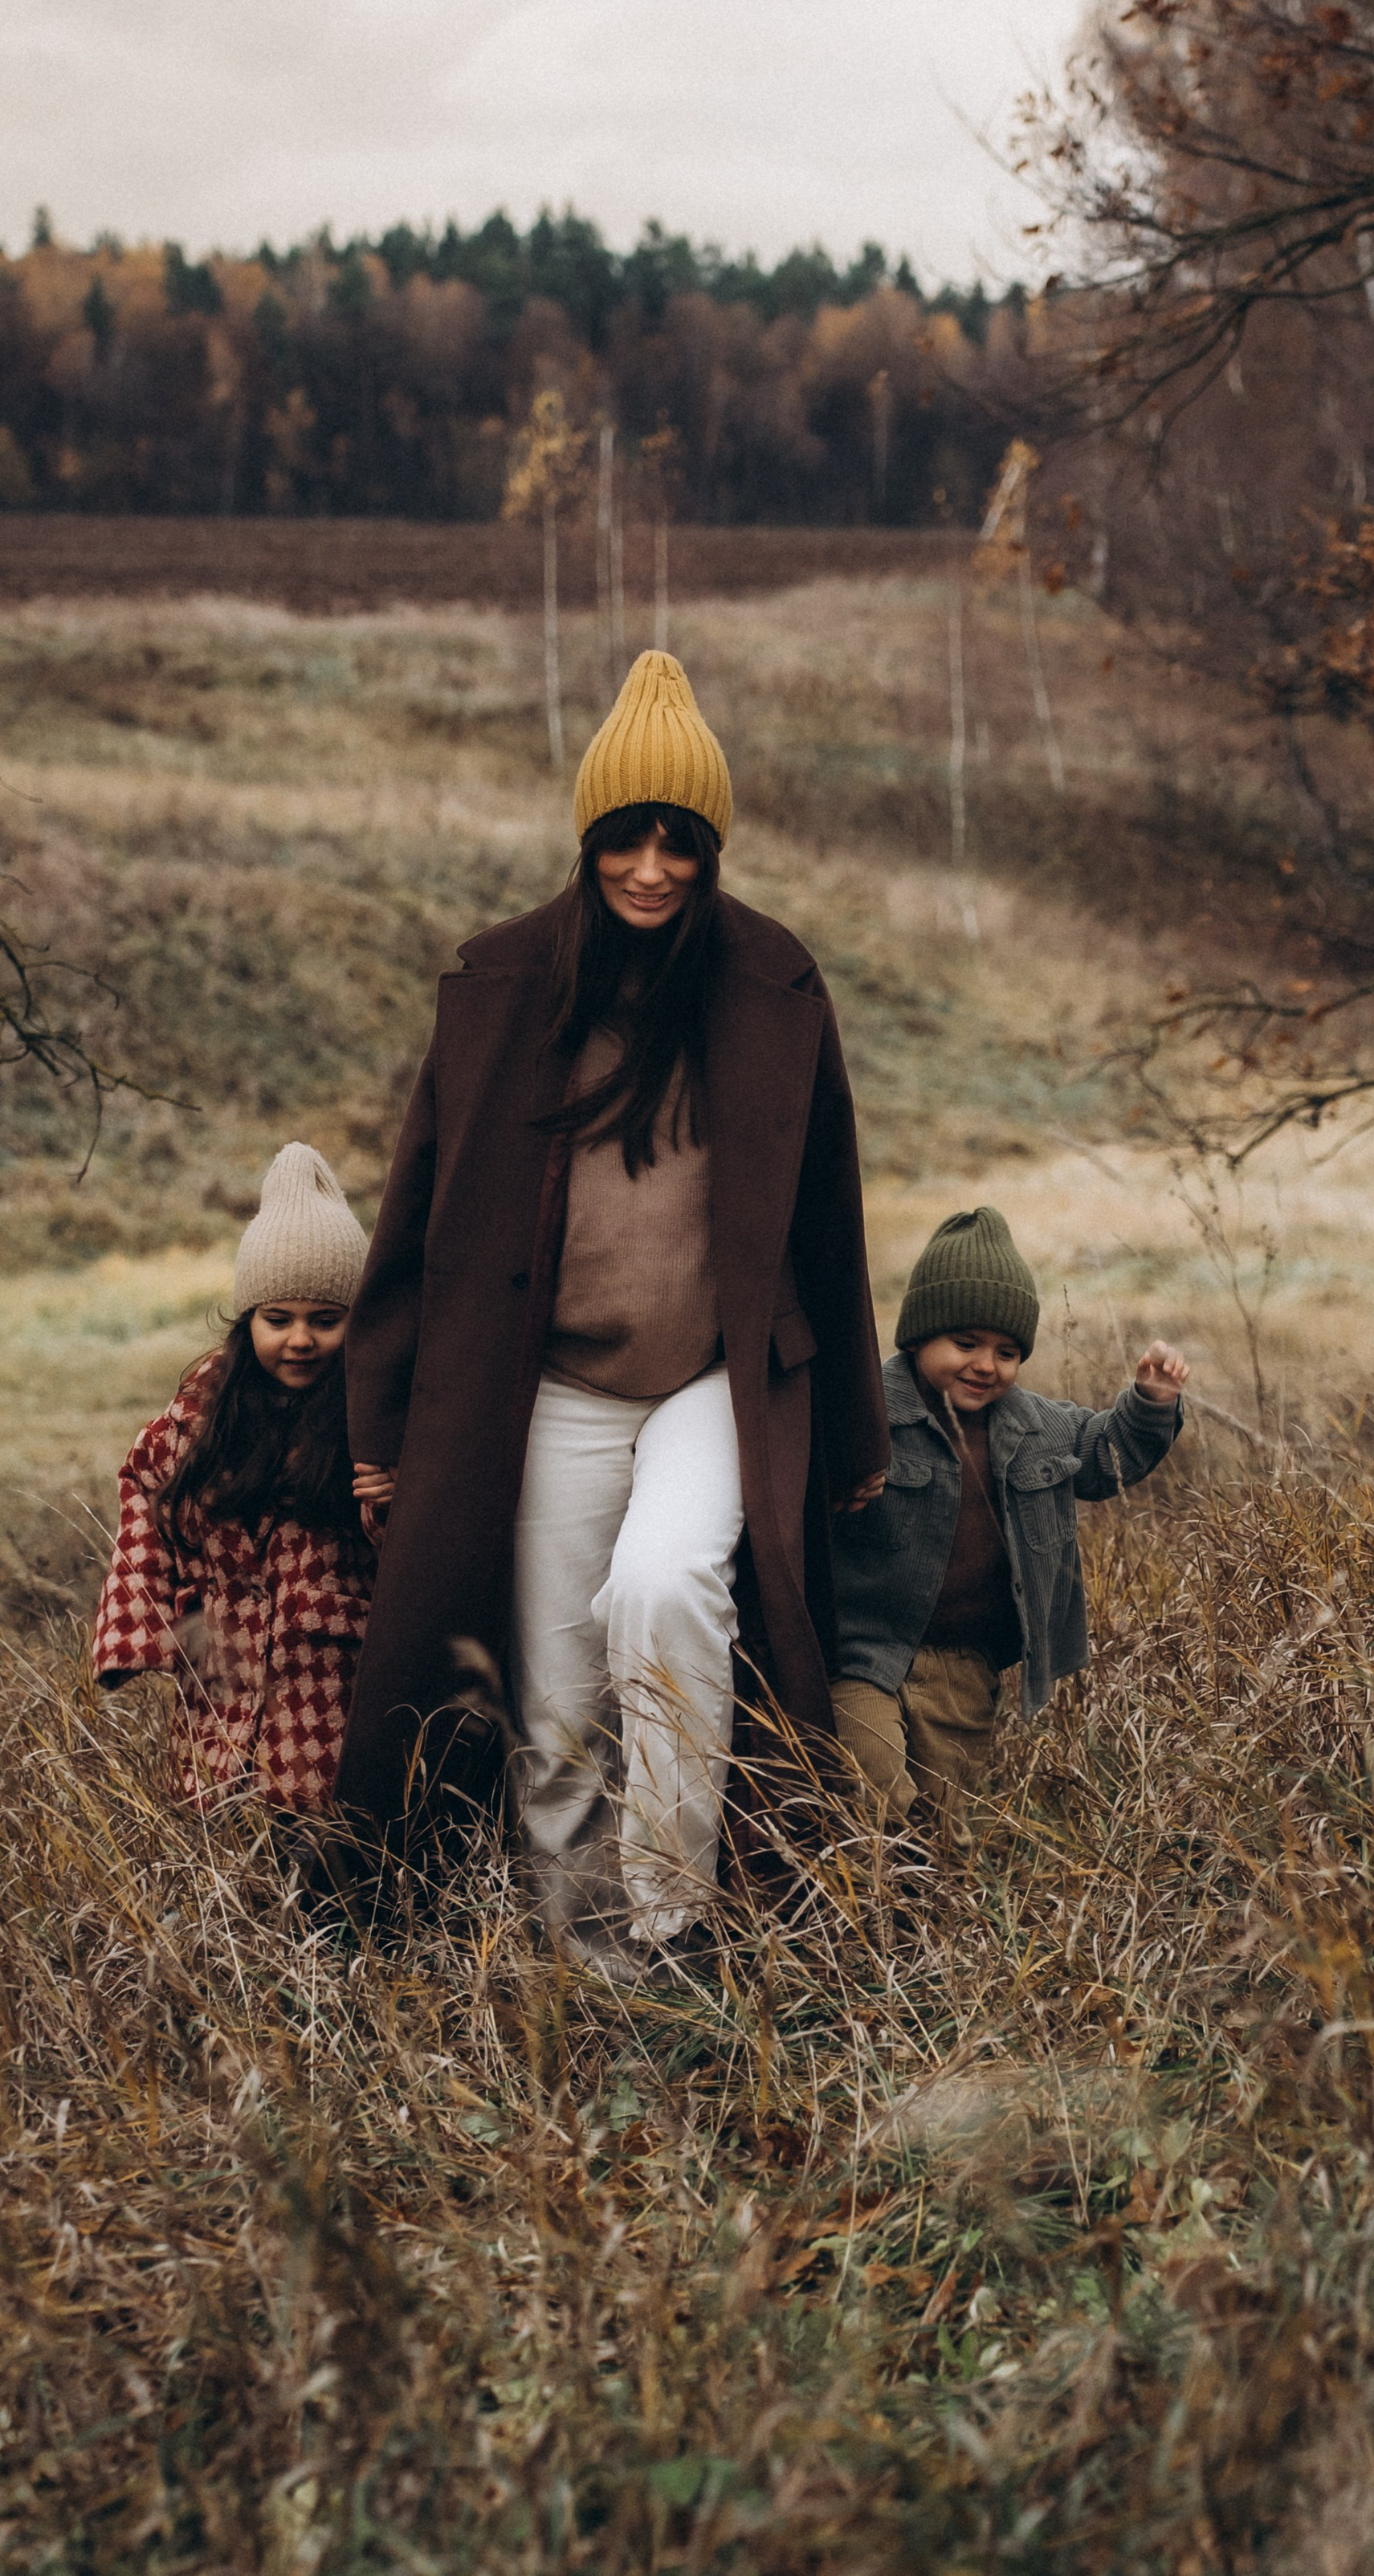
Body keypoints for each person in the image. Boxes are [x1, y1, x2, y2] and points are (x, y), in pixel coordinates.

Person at [335, 650, 889, 1969]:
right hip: (556, 1389)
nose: (651, 868)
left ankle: (674, 1914)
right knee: (562, 1681)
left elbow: (829, 1226)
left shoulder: (771, 987)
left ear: (710, 848)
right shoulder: (506, 987)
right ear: (589, 840)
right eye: (626, 840)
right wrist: (381, 1422)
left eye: (679, 843)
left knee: (665, 1592)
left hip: (710, 1378)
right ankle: (594, 1958)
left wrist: (856, 1436)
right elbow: (421, 1210)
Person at [830, 1204, 1187, 1829]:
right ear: (918, 1336)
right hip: (865, 1651)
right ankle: (874, 1892)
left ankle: (925, 1905)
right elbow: (800, 1481)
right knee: (874, 1789)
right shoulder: (866, 1412)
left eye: (1006, 1351)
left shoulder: (1037, 1427)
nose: (985, 1365)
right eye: (965, 1344)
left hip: (964, 1663)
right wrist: (839, 1481)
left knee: (950, 1823)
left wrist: (1149, 1407)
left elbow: (1107, 1457)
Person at [91, 1143, 383, 1810]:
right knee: (213, 1818)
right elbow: (145, 1483)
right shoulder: (205, 1405)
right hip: (221, 1663)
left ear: (356, 1323)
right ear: (248, 1318)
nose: (300, 1339)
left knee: (320, 1830)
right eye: (277, 1320)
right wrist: (138, 1628)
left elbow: (419, 1532)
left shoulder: (372, 1406)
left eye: (326, 1320)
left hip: (330, 1671)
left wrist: (387, 1502)